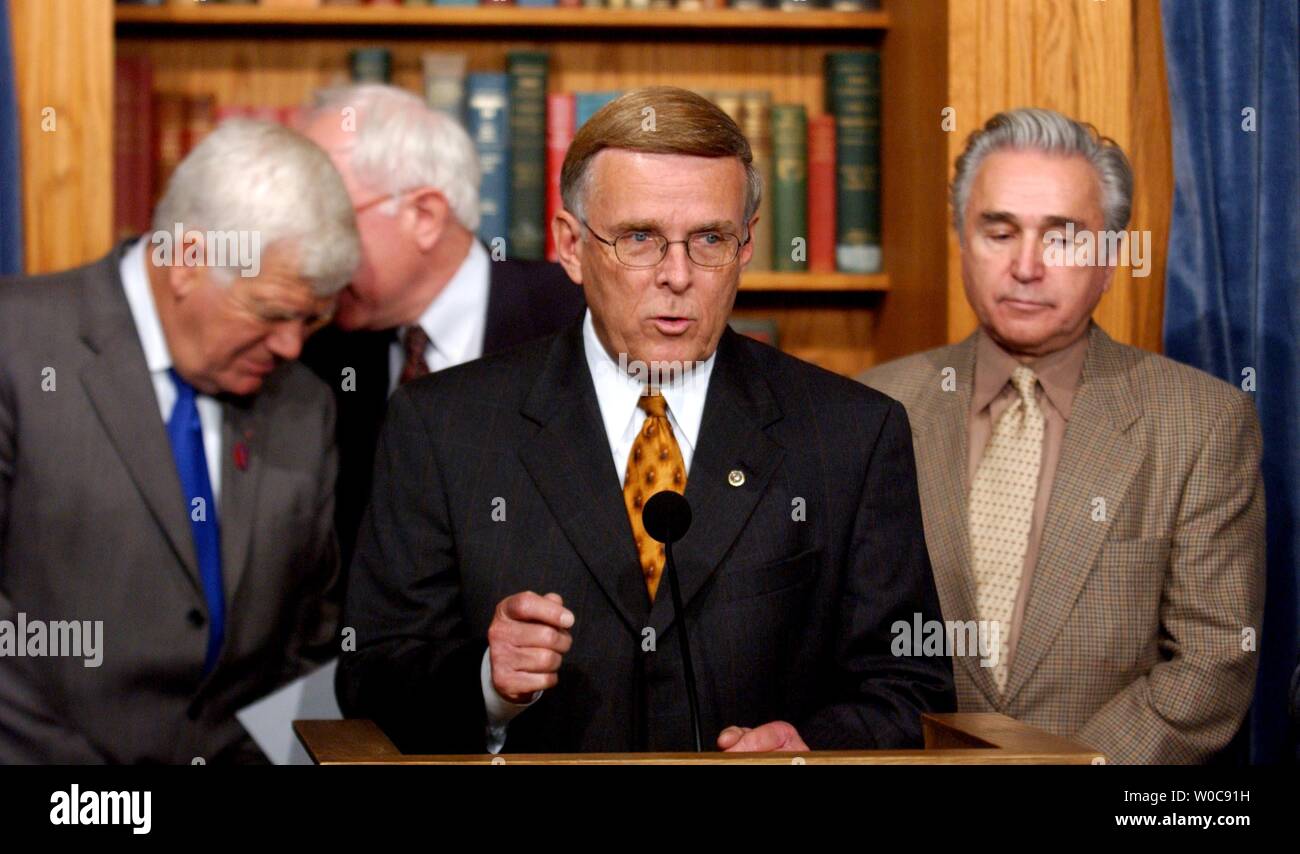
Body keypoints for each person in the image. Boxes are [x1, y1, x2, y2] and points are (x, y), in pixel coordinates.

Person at [337, 86, 953, 754]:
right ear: (570, 246)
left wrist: (808, 744)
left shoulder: (851, 434)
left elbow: (910, 688)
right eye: (640, 239)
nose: (678, 275)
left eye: (710, 239)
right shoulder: (442, 427)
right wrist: (489, 682)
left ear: (745, 248)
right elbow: (372, 678)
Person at [861, 108, 1265, 764]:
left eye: (1063, 236)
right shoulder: (876, 407)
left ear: (1109, 260)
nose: (1026, 265)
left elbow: (1212, 664)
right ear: (963, 239)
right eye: (1000, 231)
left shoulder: (1202, 423)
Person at [0, 119, 361, 763]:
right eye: (272, 313)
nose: (291, 346)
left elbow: (313, 633)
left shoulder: (304, 405)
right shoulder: (18, 348)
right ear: (188, 260)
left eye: (312, 319)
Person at [298, 85, 585, 566]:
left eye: (327, 222)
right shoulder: (316, 361)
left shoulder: (577, 322)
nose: (309, 253)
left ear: (425, 215)